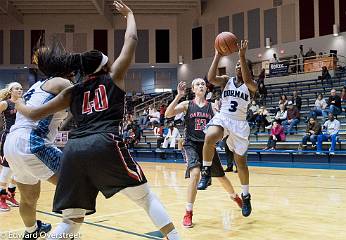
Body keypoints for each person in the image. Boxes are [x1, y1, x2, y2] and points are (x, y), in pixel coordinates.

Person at [14, 1, 180, 239]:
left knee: (71, 220)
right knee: (146, 197)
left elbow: (31, 114)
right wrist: (130, 15)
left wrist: (17, 100)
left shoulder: (71, 91)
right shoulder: (114, 77)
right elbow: (131, 40)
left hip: (73, 150)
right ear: (105, 64)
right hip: (104, 142)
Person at [4, 51, 76, 239]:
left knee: (29, 198)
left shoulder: (36, 86)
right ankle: (67, 232)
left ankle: (31, 232)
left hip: (12, 143)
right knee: (76, 184)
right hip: (32, 141)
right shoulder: (62, 82)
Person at [165, 79, 242, 228]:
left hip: (208, 146)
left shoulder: (212, 106)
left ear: (206, 89)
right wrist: (178, 96)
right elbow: (168, 114)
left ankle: (235, 197)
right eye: (197, 84)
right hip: (191, 144)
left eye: (203, 84)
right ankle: (188, 212)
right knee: (195, 174)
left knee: (221, 176)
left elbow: (224, 122)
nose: (201, 85)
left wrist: (222, 110)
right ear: (193, 89)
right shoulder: (187, 104)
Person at [197, 40, 257, 218]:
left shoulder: (251, 85)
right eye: (237, 64)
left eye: (241, 64)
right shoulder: (226, 81)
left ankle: (245, 196)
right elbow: (210, 78)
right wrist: (217, 55)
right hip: (224, 117)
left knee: (241, 163)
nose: (238, 66)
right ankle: (206, 172)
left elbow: (247, 79)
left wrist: (242, 55)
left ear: (247, 67)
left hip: (239, 124)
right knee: (210, 136)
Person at [0, 82, 23, 211]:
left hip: (19, 138)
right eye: (16, 88)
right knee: (7, 169)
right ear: (11, 91)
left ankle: (10, 195)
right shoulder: (5, 104)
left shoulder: (23, 103)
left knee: (17, 169)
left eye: (21, 88)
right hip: (8, 137)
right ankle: (1, 198)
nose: (20, 90)